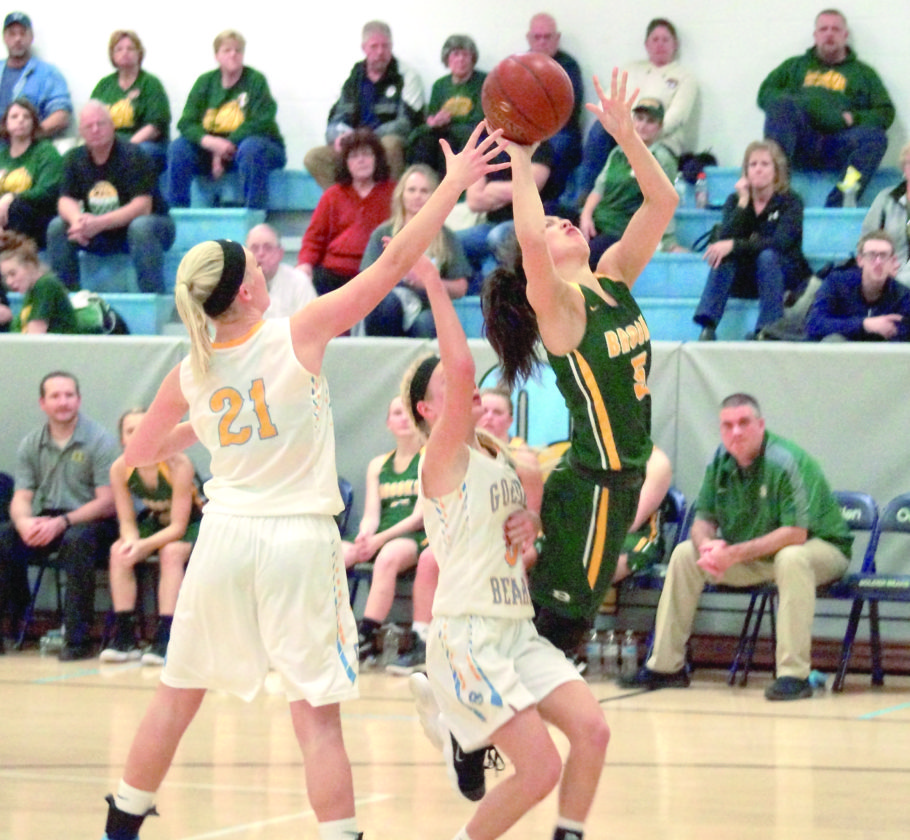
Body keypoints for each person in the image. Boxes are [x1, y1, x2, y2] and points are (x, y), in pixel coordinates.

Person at [98, 121, 508, 840]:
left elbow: (140, 452)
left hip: (224, 539)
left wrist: (206, 426)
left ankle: (121, 824)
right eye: (257, 268)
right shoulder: (298, 330)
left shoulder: (191, 369)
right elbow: (395, 261)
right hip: (297, 541)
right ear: (247, 290)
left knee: (175, 695)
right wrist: (451, 186)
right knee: (316, 719)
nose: (269, 270)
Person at [405, 249, 608, 838]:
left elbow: (522, 549)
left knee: (593, 731)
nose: (465, 387)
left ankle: (564, 828)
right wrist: (433, 283)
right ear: (427, 409)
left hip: (515, 628)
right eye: (448, 386)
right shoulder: (440, 458)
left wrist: (531, 525)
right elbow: (462, 364)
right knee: (539, 770)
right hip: (468, 634)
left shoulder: (500, 458)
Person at [481, 69, 678, 656]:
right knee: (557, 638)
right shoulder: (560, 310)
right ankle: (472, 699)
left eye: (562, 217)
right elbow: (529, 239)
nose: (564, 220)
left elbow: (663, 201)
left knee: (553, 637)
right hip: (594, 485)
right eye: (550, 224)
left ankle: (479, 699)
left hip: (617, 481)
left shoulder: (613, 276)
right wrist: (521, 159)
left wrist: (627, 137)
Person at [622, 393, 853, 702]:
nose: (736, 432)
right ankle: (665, 666)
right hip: (760, 558)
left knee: (791, 557)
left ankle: (793, 675)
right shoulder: (720, 462)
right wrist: (708, 548)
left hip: (821, 551)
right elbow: (702, 521)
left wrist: (732, 554)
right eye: (727, 425)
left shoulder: (786, 461)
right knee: (685, 554)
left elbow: (795, 534)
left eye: (744, 423)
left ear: (761, 425)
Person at [0, 371, 118, 659]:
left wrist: (63, 522)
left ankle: (77, 640)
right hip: (51, 517)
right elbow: (22, 497)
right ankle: (11, 625)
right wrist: (24, 522)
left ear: (79, 400)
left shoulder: (99, 440)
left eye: (69, 395)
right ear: (43, 403)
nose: (63, 402)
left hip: (94, 522)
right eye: (55, 396)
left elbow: (107, 502)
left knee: (77, 540)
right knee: (5, 536)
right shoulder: (32, 443)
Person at [757, 9, 894, 207]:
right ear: (815, 35)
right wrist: (808, 105)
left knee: (876, 138)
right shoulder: (794, 66)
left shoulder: (863, 74)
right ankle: (776, 194)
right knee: (782, 106)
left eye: (835, 29)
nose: (829, 34)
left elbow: (886, 113)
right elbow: (765, 94)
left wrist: (852, 118)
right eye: (823, 29)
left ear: (845, 35)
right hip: (800, 144)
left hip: (839, 145)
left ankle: (839, 202)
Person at [100, 408, 202, 666]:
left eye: (143, 429)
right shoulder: (120, 468)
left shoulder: (178, 464)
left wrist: (144, 545)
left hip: (193, 523)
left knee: (171, 552)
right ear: (122, 439)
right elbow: (127, 521)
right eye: (130, 431)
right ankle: (125, 637)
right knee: (119, 551)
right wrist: (132, 542)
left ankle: (166, 637)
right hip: (156, 522)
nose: (137, 436)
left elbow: (178, 527)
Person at [46, 100, 176, 294]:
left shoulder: (134, 155)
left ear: (112, 125)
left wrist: (98, 223)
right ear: (81, 132)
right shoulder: (73, 158)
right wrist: (77, 221)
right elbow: (65, 200)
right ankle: (67, 300)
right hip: (100, 230)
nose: (95, 130)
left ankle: (152, 298)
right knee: (57, 226)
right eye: (89, 126)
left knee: (140, 227)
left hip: (151, 227)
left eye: (101, 123)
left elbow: (143, 206)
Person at [694, 139, 811, 341]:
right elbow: (724, 240)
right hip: (747, 277)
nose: (758, 169)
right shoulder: (735, 200)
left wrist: (735, 245)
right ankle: (708, 326)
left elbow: (780, 243)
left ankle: (769, 328)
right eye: (753, 164)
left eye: (765, 164)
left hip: (783, 274)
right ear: (746, 171)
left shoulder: (791, 202)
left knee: (767, 256)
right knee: (724, 256)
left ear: (777, 171)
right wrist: (743, 203)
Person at [576, 17, 698, 202]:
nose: (660, 44)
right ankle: (584, 196)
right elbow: (607, 102)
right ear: (646, 44)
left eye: (665, 40)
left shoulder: (685, 77)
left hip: (660, 139)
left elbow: (677, 117)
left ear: (675, 45)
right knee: (599, 129)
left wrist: (642, 132)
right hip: (623, 133)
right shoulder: (630, 69)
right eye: (655, 39)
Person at [344, 395, 426, 663]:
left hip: (416, 535)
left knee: (388, 555)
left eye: (409, 412)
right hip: (382, 534)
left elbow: (419, 517)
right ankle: (322, 629)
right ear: (388, 422)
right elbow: (371, 515)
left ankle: (367, 635)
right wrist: (365, 535)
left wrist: (378, 540)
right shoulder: (378, 464)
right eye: (397, 413)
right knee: (333, 554)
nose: (404, 418)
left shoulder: (429, 459)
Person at [167, 29, 286, 210]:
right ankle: (177, 213)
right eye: (227, 50)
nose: (233, 54)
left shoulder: (255, 80)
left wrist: (225, 146)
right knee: (178, 147)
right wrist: (210, 143)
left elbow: (262, 121)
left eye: (238, 50)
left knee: (251, 148)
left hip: (256, 149)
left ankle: (254, 216)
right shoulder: (205, 82)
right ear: (217, 56)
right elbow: (186, 123)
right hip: (212, 150)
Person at [304, 21, 424, 189]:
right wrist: (340, 136)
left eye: (385, 46)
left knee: (391, 144)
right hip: (355, 143)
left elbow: (406, 123)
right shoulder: (352, 78)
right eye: (374, 46)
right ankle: (346, 201)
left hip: (385, 143)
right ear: (364, 48)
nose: (380, 52)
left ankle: (391, 202)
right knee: (313, 157)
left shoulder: (408, 76)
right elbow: (335, 120)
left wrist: (366, 138)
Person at [361, 163, 471, 337]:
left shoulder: (446, 237)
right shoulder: (382, 234)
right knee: (387, 304)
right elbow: (365, 281)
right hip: (388, 304)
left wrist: (425, 281)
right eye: (411, 190)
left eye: (424, 191)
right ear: (401, 195)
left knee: (426, 322)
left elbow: (460, 288)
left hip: (428, 307)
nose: (417, 196)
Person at [579, 97, 679, 267]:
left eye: (650, 121)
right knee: (550, 216)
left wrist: (666, 241)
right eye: (639, 119)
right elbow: (598, 189)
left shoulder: (662, 159)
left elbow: (662, 203)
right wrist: (585, 217)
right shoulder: (617, 152)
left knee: (585, 255)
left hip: (621, 230)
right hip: (597, 221)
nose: (643, 125)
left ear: (659, 127)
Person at [297, 129, 395, 296]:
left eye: (366, 154)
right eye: (354, 156)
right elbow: (314, 238)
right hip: (333, 274)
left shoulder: (393, 193)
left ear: (377, 159)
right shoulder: (332, 195)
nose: (361, 160)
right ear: (346, 163)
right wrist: (305, 264)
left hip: (376, 273)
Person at [457, 138, 555, 290]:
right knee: (453, 241)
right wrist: (512, 191)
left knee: (497, 237)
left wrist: (491, 189)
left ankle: (500, 294)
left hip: (528, 224)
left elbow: (530, 189)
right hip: (491, 223)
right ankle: (472, 293)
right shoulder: (487, 147)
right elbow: (474, 201)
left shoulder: (537, 144)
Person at [806, 230, 910, 342]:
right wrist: (865, 324)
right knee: (833, 340)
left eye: (883, 256)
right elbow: (814, 323)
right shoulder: (837, 283)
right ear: (860, 260)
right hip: (839, 349)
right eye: (872, 255)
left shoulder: (903, 295)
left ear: (893, 261)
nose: (878, 262)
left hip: (879, 352)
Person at [90, 30, 171, 174]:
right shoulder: (104, 85)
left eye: (130, 49)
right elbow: (90, 119)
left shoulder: (150, 83)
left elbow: (155, 127)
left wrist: (126, 147)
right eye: (119, 49)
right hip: (109, 145)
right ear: (112, 55)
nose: (125, 53)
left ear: (139, 53)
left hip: (144, 145)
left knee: (134, 155)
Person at [406, 35, 485, 179]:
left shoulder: (484, 82)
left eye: (465, 54)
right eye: (456, 54)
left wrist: (449, 121)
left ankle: (450, 188)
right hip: (442, 131)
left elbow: (480, 118)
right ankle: (422, 184)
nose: (460, 59)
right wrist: (435, 121)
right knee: (424, 142)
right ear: (447, 59)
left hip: (467, 134)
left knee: (448, 145)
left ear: (472, 58)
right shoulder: (439, 85)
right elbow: (431, 115)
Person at [525, 13, 584, 201]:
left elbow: (568, 109)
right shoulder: (518, 65)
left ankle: (548, 202)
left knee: (558, 146)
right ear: (529, 39)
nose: (542, 42)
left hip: (558, 130)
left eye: (547, 37)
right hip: (523, 129)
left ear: (557, 38)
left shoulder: (569, 66)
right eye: (537, 37)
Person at [0, 97, 61, 247]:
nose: (20, 120)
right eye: (14, 116)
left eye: (26, 117)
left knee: (16, 207)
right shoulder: (2, 156)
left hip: (37, 218)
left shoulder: (46, 151)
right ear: (6, 124)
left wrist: (12, 197)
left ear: (33, 123)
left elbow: (49, 190)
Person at [0, 12, 71, 138]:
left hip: (31, 147)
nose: (17, 39)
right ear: (4, 38)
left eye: (23, 33)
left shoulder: (48, 74)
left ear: (31, 37)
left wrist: (27, 136)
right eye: (12, 34)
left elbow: (61, 116)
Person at [1, 229, 75, 333]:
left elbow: (34, 336)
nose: (9, 282)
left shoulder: (45, 284)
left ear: (30, 266)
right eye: (5, 277)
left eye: (13, 274)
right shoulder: (30, 291)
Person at [860, 142, 910, 287]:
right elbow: (867, 239)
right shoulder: (885, 199)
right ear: (904, 169)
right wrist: (881, 266)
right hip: (885, 273)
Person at [245, 223, 316, 317]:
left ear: (280, 253)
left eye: (268, 248)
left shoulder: (299, 282)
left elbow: (311, 322)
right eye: (254, 248)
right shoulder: (237, 284)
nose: (261, 253)